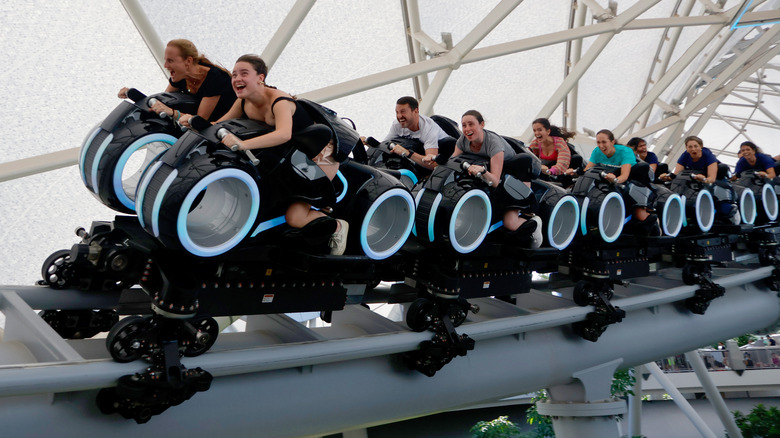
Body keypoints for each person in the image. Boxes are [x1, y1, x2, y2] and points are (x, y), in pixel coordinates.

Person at [214, 54, 348, 254]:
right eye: (234, 75)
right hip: (291, 156)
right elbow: (218, 125)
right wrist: (181, 117)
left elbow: (283, 134)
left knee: (295, 218)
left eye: (244, 73)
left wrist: (243, 144)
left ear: (260, 77)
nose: (237, 79)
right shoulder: (243, 101)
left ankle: (337, 226)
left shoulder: (279, 101)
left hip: (319, 156)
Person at [424, 110, 541, 245]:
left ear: (482, 124)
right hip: (489, 171)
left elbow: (495, 181)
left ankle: (535, 223)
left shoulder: (493, 143)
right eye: (464, 125)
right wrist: (434, 159)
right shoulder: (462, 140)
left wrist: (483, 171)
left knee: (510, 223)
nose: (467, 129)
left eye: (471, 124)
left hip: (511, 178)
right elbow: (452, 162)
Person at [118, 39, 236, 125]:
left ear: (188, 61)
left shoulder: (216, 78)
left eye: (170, 61)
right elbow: (161, 101)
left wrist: (172, 112)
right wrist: (133, 94)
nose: (165, 65)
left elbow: (198, 121)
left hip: (223, 126)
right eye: (166, 61)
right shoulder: (181, 75)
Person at [566, 129, 660, 235]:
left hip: (631, 181)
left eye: (604, 142)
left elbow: (624, 176)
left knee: (640, 215)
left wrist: (615, 179)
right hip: (609, 182)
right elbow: (588, 170)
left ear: (612, 142)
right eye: (598, 142)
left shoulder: (625, 152)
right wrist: (575, 173)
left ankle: (654, 225)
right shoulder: (597, 152)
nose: (601, 146)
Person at [370, 96, 454, 171]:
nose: (399, 116)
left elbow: (433, 165)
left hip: (441, 152)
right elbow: (384, 145)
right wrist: (369, 144)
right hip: (418, 155)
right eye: (397, 112)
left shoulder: (429, 129)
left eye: (403, 112)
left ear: (416, 111)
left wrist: (407, 153)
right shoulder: (397, 125)